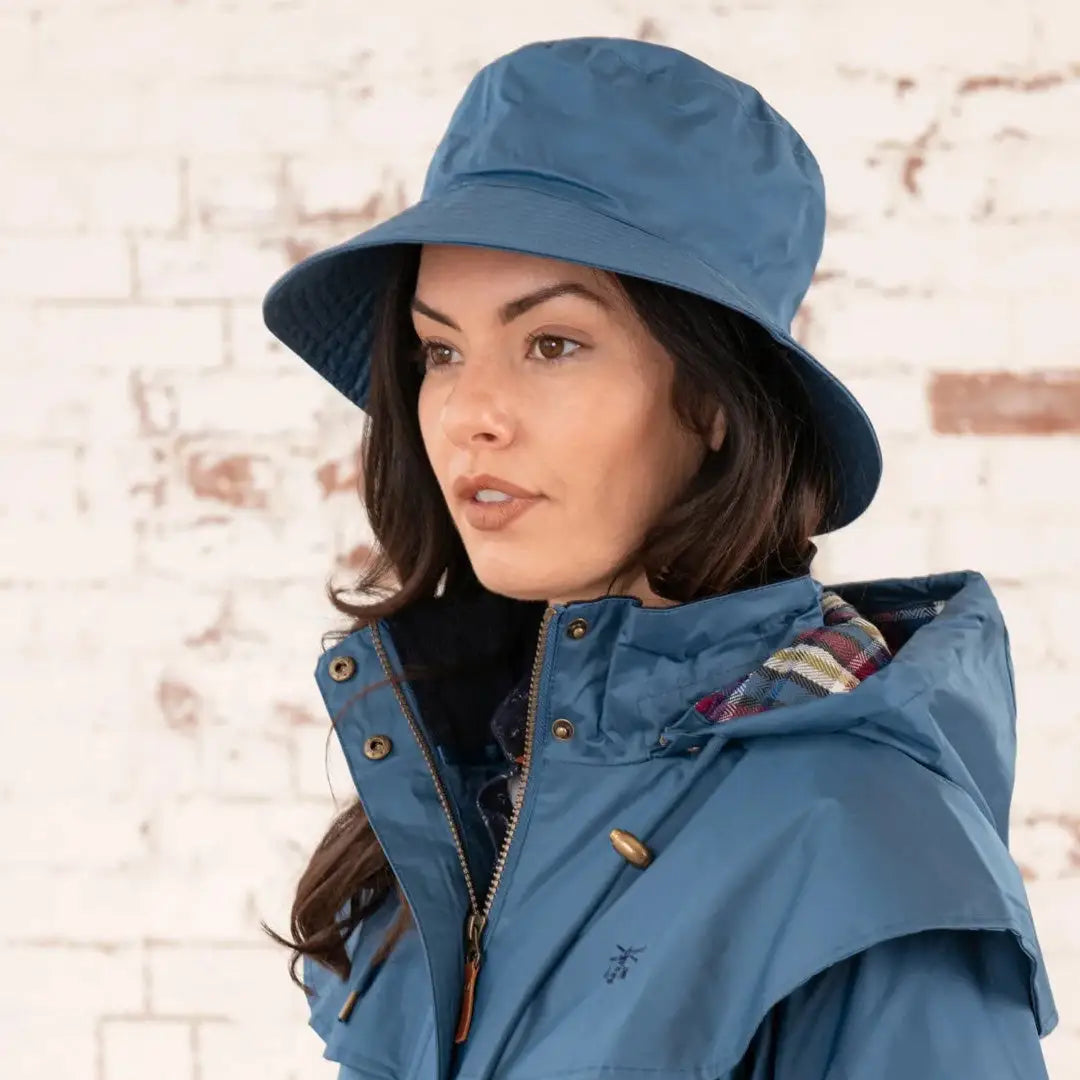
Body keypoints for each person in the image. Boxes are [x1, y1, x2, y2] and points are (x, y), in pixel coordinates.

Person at [260, 37, 1056, 1080]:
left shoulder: (866, 854)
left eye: (553, 344)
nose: (470, 416)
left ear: (715, 402)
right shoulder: (471, 784)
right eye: (439, 351)